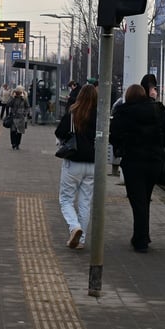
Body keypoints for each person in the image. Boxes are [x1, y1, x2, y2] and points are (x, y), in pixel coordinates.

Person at [109, 83, 165, 253]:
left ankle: (141, 240)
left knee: (137, 201)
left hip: (133, 162)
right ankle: (142, 236)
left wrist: (121, 145)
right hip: (155, 162)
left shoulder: (124, 112)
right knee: (145, 198)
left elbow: (113, 136)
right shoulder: (158, 111)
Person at [54, 84, 97, 249]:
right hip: (93, 164)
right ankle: (82, 239)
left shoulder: (73, 114)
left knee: (66, 199)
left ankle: (74, 227)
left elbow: (59, 132)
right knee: (85, 202)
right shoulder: (99, 115)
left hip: (74, 162)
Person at [7, 85, 30, 150]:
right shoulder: (13, 98)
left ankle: (17, 144)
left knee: (19, 132)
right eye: (17, 92)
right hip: (13, 117)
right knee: (13, 131)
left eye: (19, 92)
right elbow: (8, 104)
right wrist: (12, 97)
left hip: (21, 117)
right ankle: (13, 144)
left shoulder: (24, 98)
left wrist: (25, 113)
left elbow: (27, 107)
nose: (18, 93)